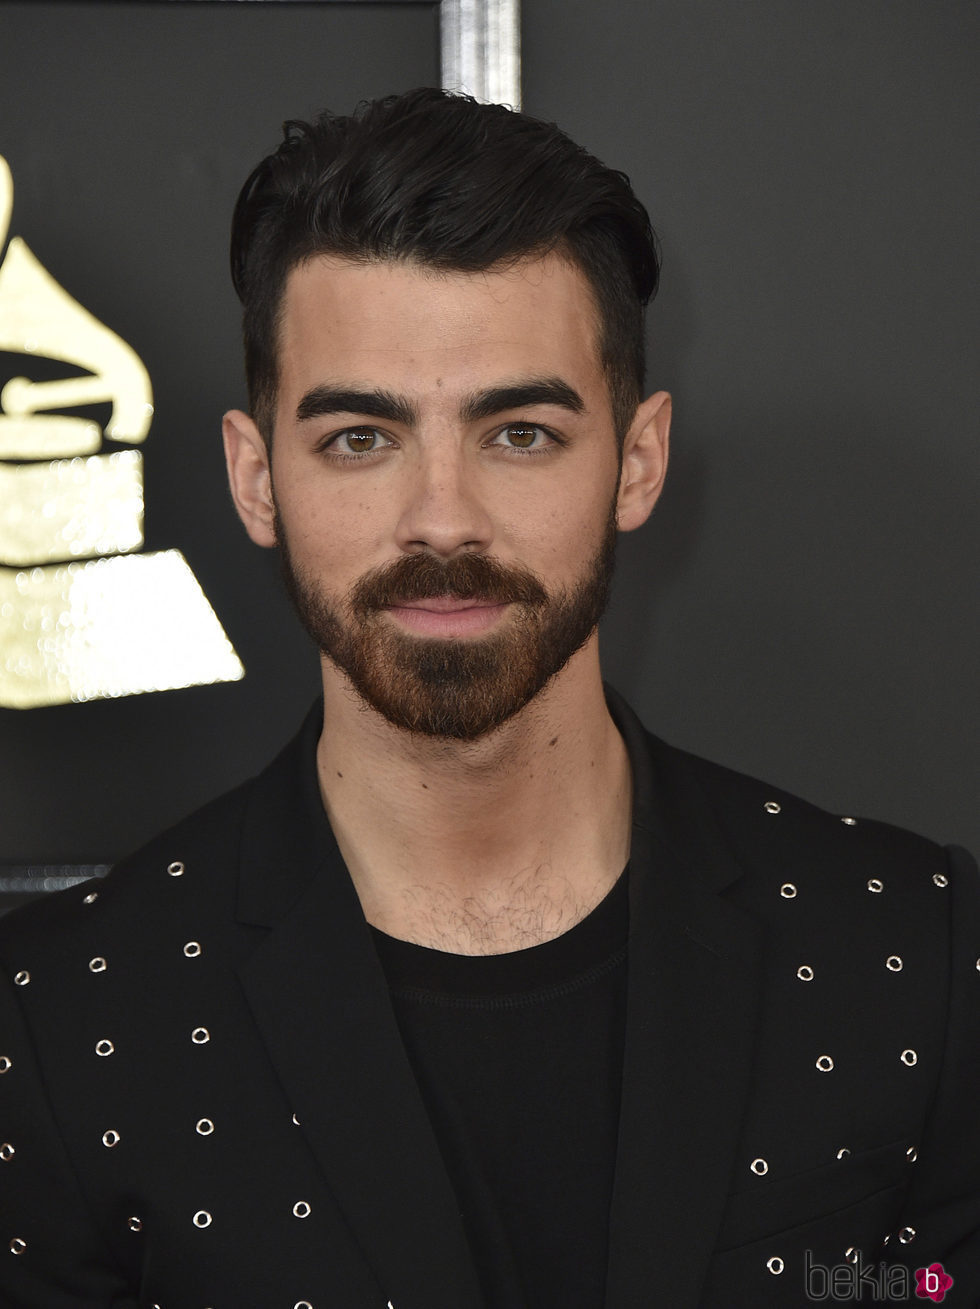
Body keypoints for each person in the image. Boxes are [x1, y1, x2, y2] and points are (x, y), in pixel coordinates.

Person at [0, 88, 976, 1309]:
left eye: (517, 432)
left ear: (638, 458)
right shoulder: (60, 1021)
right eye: (361, 437)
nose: (442, 519)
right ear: (256, 479)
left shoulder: (913, 961)